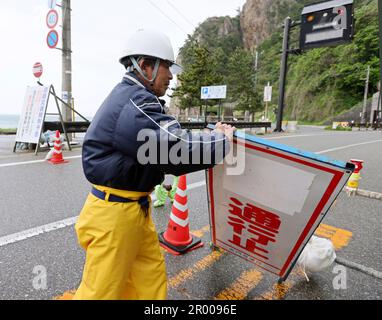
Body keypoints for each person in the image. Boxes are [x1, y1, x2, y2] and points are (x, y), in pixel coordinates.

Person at [73, 29, 235, 300]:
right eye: (167, 67)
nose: (171, 76)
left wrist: (210, 138)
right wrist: (221, 142)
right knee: (99, 293)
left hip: (133, 209)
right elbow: (175, 150)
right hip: (115, 217)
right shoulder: (134, 104)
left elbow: (171, 136)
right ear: (145, 66)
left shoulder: (137, 99)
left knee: (148, 280)